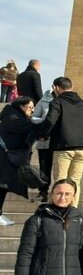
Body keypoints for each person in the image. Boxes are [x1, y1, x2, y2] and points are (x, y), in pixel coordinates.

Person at [38, 76, 83, 207]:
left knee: (60, 181)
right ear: (71, 87)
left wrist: (43, 134)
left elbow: (50, 121)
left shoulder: (57, 102)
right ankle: (73, 209)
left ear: (56, 88)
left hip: (63, 147)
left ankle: (58, 210)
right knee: (75, 181)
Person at [0, 96, 45, 224]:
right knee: (2, 186)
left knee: (3, 186)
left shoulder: (14, 115)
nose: (32, 110)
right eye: (30, 107)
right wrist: (46, 123)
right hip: (4, 158)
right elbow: (28, 127)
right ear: (21, 106)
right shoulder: (13, 118)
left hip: (7, 157)